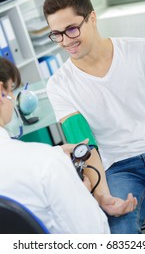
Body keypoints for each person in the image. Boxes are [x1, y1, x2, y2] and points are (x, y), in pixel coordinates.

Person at [43, 0, 145, 234]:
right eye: (56, 34)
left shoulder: (140, 51)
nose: (65, 41)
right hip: (119, 168)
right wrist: (103, 197)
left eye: (71, 29)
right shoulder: (58, 85)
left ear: (92, 18)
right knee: (116, 230)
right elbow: (85, 146)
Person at [0, 57, 111, 234]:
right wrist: (79, 196)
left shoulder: (46, 160)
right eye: (12, 90)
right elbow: (93, 234)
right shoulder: (47, 163)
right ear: (1, 92)